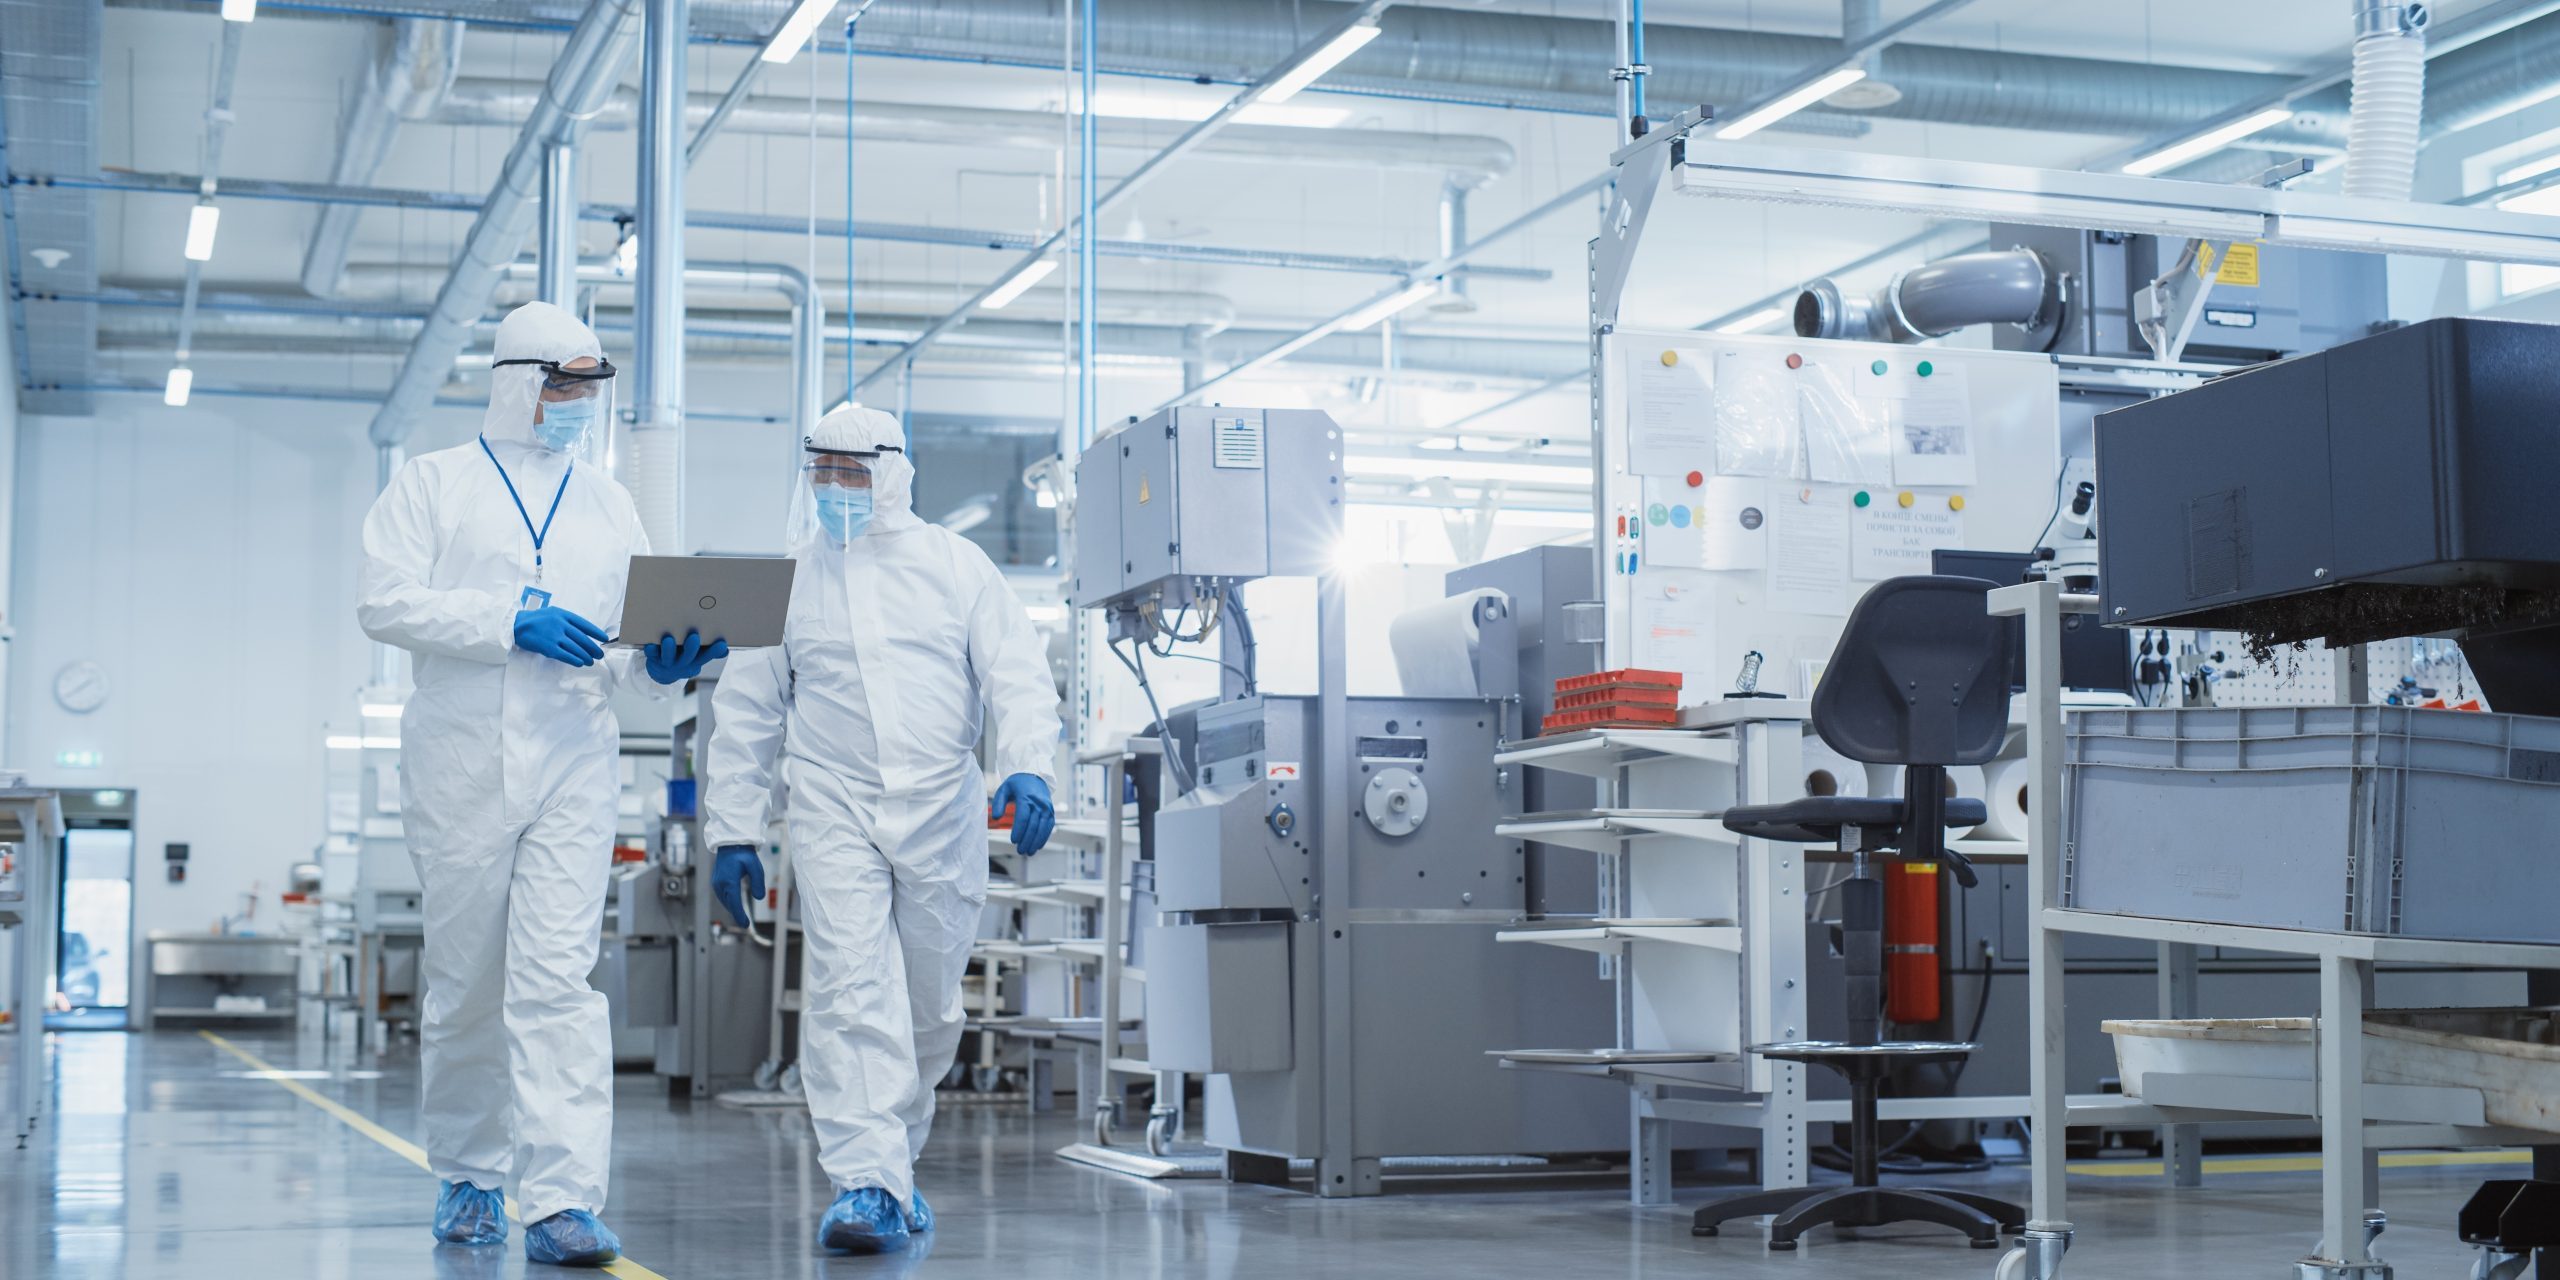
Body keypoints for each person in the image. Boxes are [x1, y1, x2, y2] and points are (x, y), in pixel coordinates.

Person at [357, 301, 726, 1267]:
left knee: (559, 981)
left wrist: (675, 657)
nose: (579, 406)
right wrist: (506, 619)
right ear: (518, 379)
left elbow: (632, 655)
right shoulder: (432, 484)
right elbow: (383, 601)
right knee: (467, 979)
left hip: (573, 752)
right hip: (459, 758)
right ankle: (471, 1175)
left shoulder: (607, 502)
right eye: (565, 386)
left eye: (591, 389)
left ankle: (560, 1199)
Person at [701, 403, 1060, 1254]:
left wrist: (1030, 764)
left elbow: (1016, 673)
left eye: (852, 471)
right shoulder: (785, 579)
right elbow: (746, 711)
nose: (835, 488)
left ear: (894, 473)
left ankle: (895, 1164)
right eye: (821, 470)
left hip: (943, 806)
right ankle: (865, 1182)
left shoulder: (957, 567)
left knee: (930, 1005)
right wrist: (733, 831)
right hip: (832, 803)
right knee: (850, 987)